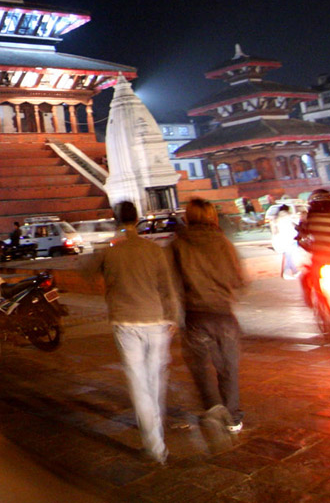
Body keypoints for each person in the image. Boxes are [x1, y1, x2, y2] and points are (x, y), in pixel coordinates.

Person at [99, 200, 180, 465]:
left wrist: (114, 241)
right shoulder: (152, 249)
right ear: (137, 220)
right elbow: (167, 287)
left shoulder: (111, 252)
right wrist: (172, 316)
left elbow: (85, 269)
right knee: (155, 381)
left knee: (139, 383)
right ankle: (154, 431)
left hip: (126, 323)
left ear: (116, 221)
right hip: (156, 320)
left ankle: (155, 446)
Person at [171, 197, 248, 437]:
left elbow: (171, 283)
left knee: (201, 369)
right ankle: (233, 417)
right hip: (224, 315)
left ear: (188, 217)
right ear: (212, 217)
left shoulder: (178, 245)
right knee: (228, 368)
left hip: (195, 316)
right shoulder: (224, 244)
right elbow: (240, 281)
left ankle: (214, 410)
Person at [271, 204, 303, 279]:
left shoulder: (277, 218)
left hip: (281, 240)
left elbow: (274, 231)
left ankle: (290, 272)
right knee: (289, 256)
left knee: (288, 256)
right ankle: (292, 272)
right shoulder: (288, 217)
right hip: (289, 239)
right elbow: (295, 226)